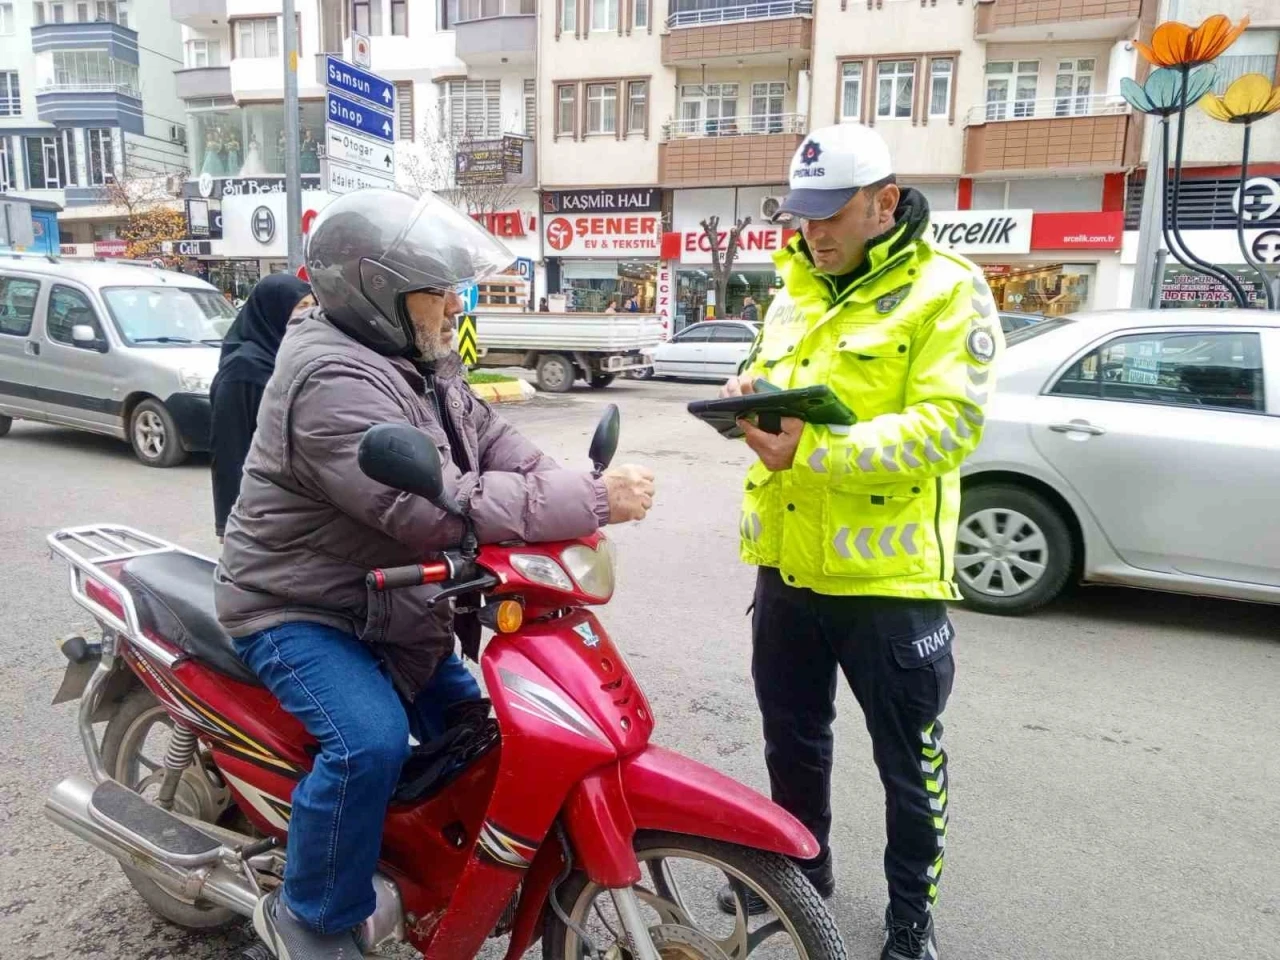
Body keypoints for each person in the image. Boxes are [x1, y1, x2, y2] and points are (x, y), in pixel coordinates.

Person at [216, 190, 656, 959]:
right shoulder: (331, 382)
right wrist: (590, 497)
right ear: (377, 290)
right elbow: (438, 508)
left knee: (479, 733)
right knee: (370, 742)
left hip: (386, 601)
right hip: (300, 607)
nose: (456, 303)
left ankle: (419, 866)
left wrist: (562, 486)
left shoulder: (416, 356)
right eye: (438, 289)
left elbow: (491, 440)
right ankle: (313, 916)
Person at [718, 124, 1001, 960]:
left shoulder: (947, 289)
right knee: (792, 741)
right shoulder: (793, 286)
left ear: (885, 202)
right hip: (788, 566)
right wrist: (750, 400)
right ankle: (803, 880)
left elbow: (950, 429)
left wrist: (813, 446)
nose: (814, 233)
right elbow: (782, 388)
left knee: (908, 766)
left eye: (831, 214)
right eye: (802, 216)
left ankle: (912, 916)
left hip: (889, 581)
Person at [208, 274, 311, 539]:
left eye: (313, 307)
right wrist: (228, 524)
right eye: (301, 307)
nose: (309, 316)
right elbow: (229, 449)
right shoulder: (244, 369)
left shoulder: (287, 357)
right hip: (258, 513)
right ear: (273, 311)